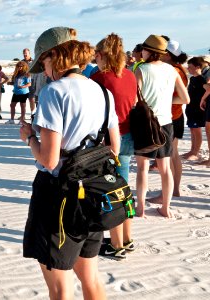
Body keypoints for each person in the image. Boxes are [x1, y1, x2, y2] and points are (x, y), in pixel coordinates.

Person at [20, 26, 120, 299]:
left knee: (59, 284)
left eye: (43, 61)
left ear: (54, 56)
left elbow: (49, 159)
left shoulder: (55, 92)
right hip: (93, 190)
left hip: (58, 193)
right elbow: (114, 148)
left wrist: (29, 137)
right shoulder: (102, 91)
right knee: (91, 278)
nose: (43, 69)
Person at [91, 33, 137, 260]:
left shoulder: (100, 77)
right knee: (124, 189)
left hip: (109, 139)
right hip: (128, 135)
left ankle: (116, 244)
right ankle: (127, 239)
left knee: (111, 192)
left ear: (100, 55)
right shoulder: (129, 75)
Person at [134, 35, 190, 218]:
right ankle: (166, 208)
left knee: (142, 167)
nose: (141, 51)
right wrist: (167, 100)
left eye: (143, 49)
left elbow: (136, 100)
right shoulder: (172, 70)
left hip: (146, 123)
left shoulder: (141, 70)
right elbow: (185, 99)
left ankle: (140, 209)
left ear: (149, 51)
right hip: (166, 122)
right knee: (165, 168)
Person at [148, 39, 188, 198]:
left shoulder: (171, 70)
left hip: (169, 116)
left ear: (168, 55)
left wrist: (163, 100)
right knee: (174, 154)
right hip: (177, 115)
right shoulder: (181, 69)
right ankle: (175, 189)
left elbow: (181, 97)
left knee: (167, 157)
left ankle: (168, 193)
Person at [184, 57, 207, 161]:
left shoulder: (201, 79)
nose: (188, 69)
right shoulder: (192, 78)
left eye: (190, 67)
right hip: (190, 109)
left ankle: (196, 152)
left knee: (197, 131)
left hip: (197, 110)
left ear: (198, 67)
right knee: (192, 129)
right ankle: (192, 150)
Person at [22, 48, 37, 115]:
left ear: (29, 53)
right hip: (23, 81)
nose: (25, 54)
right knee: (23, 99)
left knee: (31, 98)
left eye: (26, 53)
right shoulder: (21, 62)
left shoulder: (34, 61)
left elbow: (36, 72)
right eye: (24, 53)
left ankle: (32, 113)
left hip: (32, 81)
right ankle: (23, 115)